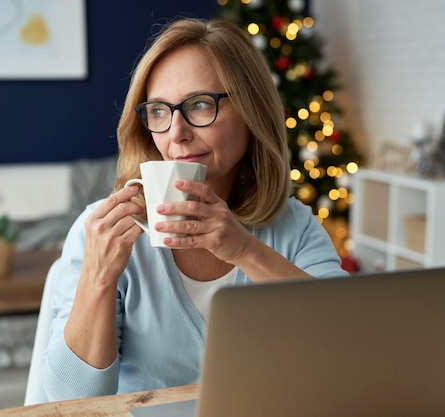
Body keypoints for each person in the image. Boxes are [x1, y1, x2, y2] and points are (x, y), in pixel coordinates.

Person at [41, 17, 348, 401]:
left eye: (200, 105)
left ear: (251, 112)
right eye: (158, 111)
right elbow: (70, 401)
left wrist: (245, 251)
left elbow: (346, 347)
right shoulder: (103, 230)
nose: (176, 132)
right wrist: (99, 277)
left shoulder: (294, 227)